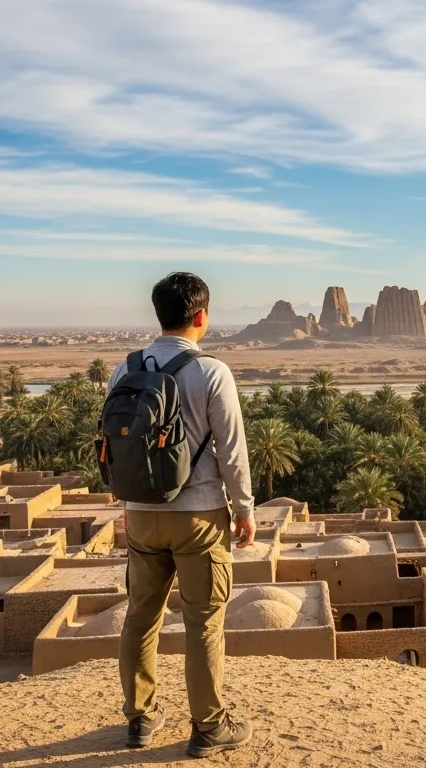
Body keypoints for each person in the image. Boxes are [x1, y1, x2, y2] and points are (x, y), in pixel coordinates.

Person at [108, 272, 257, 757]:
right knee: (204, 622)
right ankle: (210, 727)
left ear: (159, 314)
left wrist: (127, 504)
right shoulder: (211, 371)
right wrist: (245, 509)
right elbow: (233, 452)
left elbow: (116, 446)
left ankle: (140, 720)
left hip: (141, 515)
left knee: (140, 617)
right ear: (201, 316)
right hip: (198, 516)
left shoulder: (124, 368)